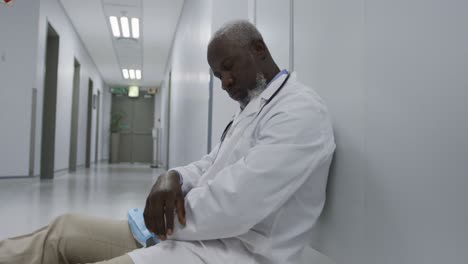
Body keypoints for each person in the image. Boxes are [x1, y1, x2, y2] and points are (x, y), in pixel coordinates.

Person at [0, 20, 335, 264]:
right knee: (63, 230)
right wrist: (172, 175)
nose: (225, 82)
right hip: (194, 238)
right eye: (218, 75)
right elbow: (211, 163)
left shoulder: (299, 113)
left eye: (228, 67)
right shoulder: (253, 109)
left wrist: (157, 222)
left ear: (259, 49)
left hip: (231, 254)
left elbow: (234, 204)